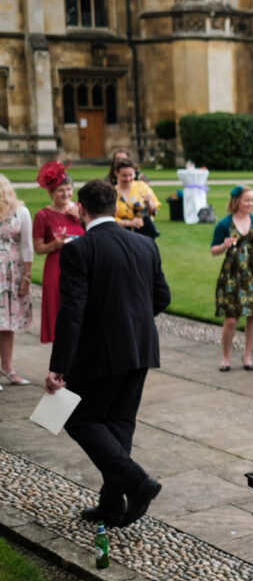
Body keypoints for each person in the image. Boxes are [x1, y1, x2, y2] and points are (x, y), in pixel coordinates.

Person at [45, 178, 169, 528]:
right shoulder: (146, 245)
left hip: (101, 352)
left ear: (81, 210)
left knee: (80, 419)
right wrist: (133, 324)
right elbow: (162, 299)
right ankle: (112, 505)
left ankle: (137, 483)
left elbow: (72, 313)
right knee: (118, 425)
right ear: (115, 207)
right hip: (142, 347)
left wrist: (58, 367)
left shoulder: (79, 249)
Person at [209, 186, 253, 371]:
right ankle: (226, 357)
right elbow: (213, 250)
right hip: (232, 273)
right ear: (236, 201)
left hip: (252, 271)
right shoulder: (224, 224)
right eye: (247, 200)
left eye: (252, 200)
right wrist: (223, 246)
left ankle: (247, 356)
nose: (250, 204)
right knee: (231, 318)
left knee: (252, 314)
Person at [33, 161, 83, 346]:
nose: (66, 194)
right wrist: (55, 244)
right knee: (58, 311)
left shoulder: (80, 209)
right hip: (56, 265)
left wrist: (79, 217)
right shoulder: (42, 216)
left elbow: (94, 234)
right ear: (51, 193)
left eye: (69, 190)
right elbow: (38, 249)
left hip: (80, 265)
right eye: (61, 190)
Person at [0, 176, 31, 385]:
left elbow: (27, 246)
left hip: (12, 272)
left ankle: (8, 368)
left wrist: (27, 277)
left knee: (7, 323)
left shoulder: (21, 212)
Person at [111, 159, 157, 234]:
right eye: (124, 176)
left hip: (144, 233)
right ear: (116, 173)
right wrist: (129, 223)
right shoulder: (111, 193)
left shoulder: (142, 187)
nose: (128, 179)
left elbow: (153, 212)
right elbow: (109, 218)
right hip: (121, 233)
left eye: (130, 175)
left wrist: (148, 203)